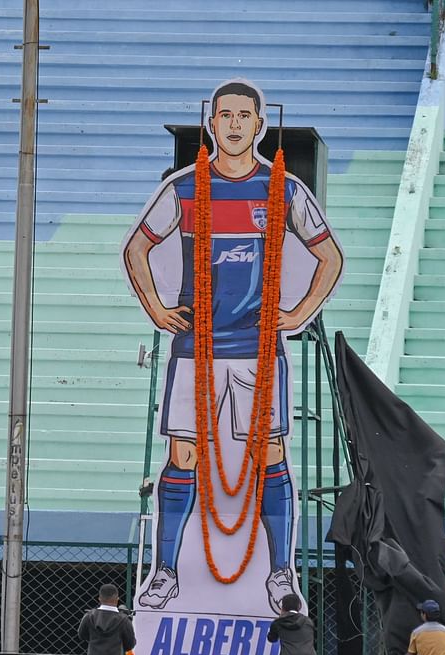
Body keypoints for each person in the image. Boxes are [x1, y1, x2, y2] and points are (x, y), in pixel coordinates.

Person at [122, 79, 343, 613]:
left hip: (257, 350)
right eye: (226, 115)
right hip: (194, 349)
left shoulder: (284, 189)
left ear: (260, 124)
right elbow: (136, 249)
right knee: (183, 455)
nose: (236, 124)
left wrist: (297, 314)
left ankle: (281, 574)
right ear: (212, 122)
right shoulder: (183, 188)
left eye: (246, 115)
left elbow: (330, 257)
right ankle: (165, 573)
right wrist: (155, 308)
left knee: (270, 454)